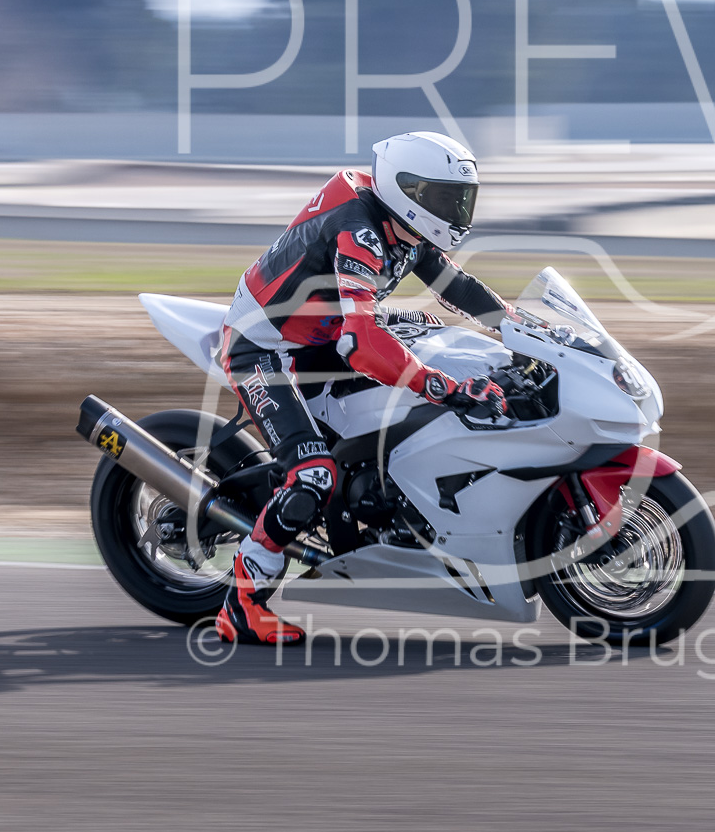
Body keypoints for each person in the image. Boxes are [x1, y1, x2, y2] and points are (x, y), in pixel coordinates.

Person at [215, 131, 512, 645]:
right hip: (266, 348)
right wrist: (445, 388)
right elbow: (363, 346)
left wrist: (524, 327)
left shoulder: (403, 226)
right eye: (446, 198)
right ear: (408, 191)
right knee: (313, 474)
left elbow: (458, 287)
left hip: (321, 336)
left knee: (438, 348)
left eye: (461, 199)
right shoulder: (360, 230)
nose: (456, 211)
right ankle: (241, 604)